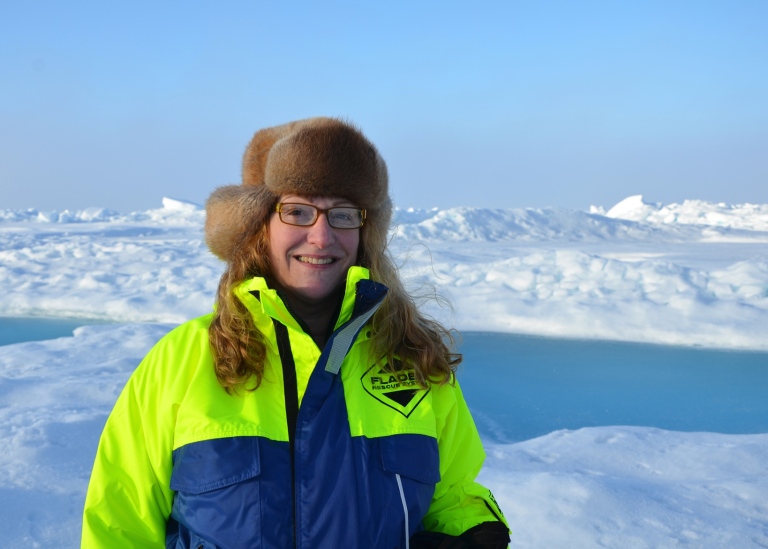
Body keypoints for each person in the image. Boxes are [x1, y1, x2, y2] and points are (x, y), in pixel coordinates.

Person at [81, 117, 510, 548]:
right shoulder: (182, 361)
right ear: (259, 226)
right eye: (298, 211)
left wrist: (476, 532)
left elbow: (452, 493)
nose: (321, 236)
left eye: (343, 215)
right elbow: (120, 524)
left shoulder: (410, 361)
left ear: (365, 233)